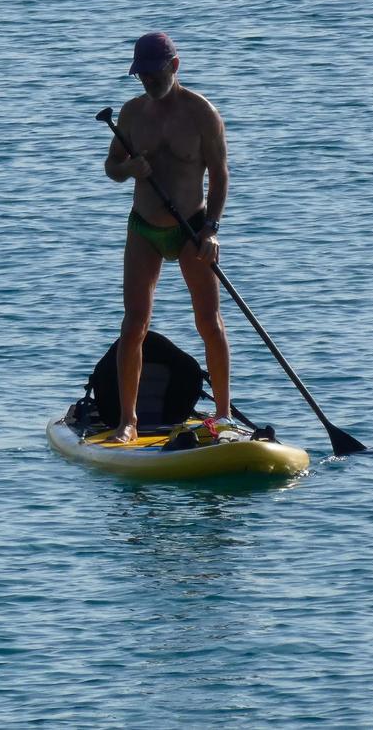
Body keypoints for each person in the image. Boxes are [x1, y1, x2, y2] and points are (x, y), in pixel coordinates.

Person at [103, 32, 230, 443]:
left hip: (191, 227)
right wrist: (128, 171)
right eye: (140, 76)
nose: (147, 83)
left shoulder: (202, 114)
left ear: (174, 67)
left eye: (154, 75)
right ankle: (128, 421)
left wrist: (211, 229)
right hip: (143, 228)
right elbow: (111, 166)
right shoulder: (131, 114)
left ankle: (224, 415)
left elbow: (220, 174)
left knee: (209, 322)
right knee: (134, 324)